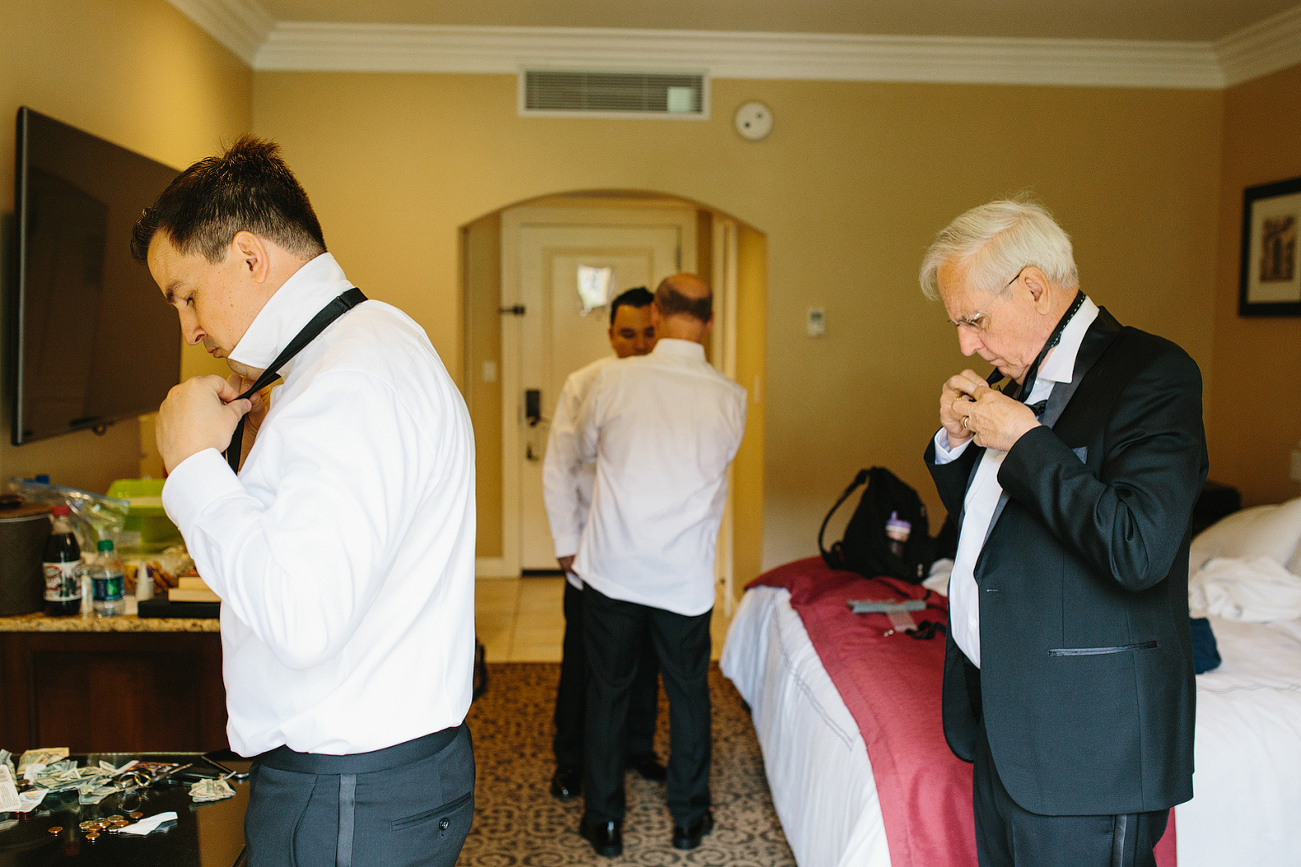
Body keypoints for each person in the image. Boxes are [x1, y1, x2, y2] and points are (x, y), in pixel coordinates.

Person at [132, 136, 476, 867]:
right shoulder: (376, 340)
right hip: (379, 773)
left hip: (350, 786)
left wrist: (192, 467)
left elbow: (302, 615)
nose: (189, 328)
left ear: (250, 256)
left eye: (187, 294)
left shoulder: (343, 383)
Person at [919, 199, 1207, 867]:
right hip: (1005, 717)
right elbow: (990, 526)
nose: (964, 341)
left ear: (1031, 286)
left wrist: (1024, 442)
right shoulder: (1012, 382)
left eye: (972, 319)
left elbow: (1138, 547)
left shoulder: (1151, 374)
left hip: (1086, 740)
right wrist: (953, 443)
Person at [571, 273, 747, 858]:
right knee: (689, 693)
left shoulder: (612, 381)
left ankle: (604, 822)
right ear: (711, 321)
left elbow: (589, 454)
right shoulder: (731, 396)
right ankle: (690, 819)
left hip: (614, 567)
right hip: (684, 577)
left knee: (608, 693)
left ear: (657, 313)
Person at [542, 286, 666, 801]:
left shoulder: (671, 387)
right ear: (611, 334)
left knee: (646, 658)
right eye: (627, 334)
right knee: (584, 664)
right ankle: (571, 759)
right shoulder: (585, 384)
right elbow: (559, 466)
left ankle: (638, 747)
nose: (638, 344)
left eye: (648, 334)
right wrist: (567, 544)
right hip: (593, 554)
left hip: (654, 553)